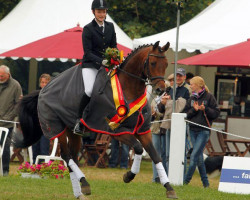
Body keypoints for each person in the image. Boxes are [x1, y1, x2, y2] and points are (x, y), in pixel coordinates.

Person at [74, 0, 117, 135]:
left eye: (103, 11)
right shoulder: (88, 28)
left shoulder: (110, 26)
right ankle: (79, 121)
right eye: (99, 11)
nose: (101, 14)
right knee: (89, 90)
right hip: (91, 65)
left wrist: (115, 57)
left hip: (107, 65)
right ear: (94, 12)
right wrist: (101, 62)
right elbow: (87, 52)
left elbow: (114, 46)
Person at [183, 76, 219, 188]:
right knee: (198, 157)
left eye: (192, 84)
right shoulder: (191, 98)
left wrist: (205, 109)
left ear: (198, 85)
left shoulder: (209, 97)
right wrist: (194, 110)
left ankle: (185, 182)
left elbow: (216, 113)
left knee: (194, 156)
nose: (190, 86)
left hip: (204, 131)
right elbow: (185, 114)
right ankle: (206, 184)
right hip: (192, 130)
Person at [0, 65, 22, 176]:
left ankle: (5, 171)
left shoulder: (15, 85)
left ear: (8, 75)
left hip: (7, 123)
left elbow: (19, 104)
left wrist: (9, 117)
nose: (0, 77)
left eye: (2, 76)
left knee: (5, 148)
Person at [32, 74, 51, 164]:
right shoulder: (35, 94)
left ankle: (43, 167)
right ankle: (34, 167)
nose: (44, 84)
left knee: (44, 149)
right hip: (35, 125)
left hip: (45, 126)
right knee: (34, 148)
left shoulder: (52, 95)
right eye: (42, 82)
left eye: (46, 82)